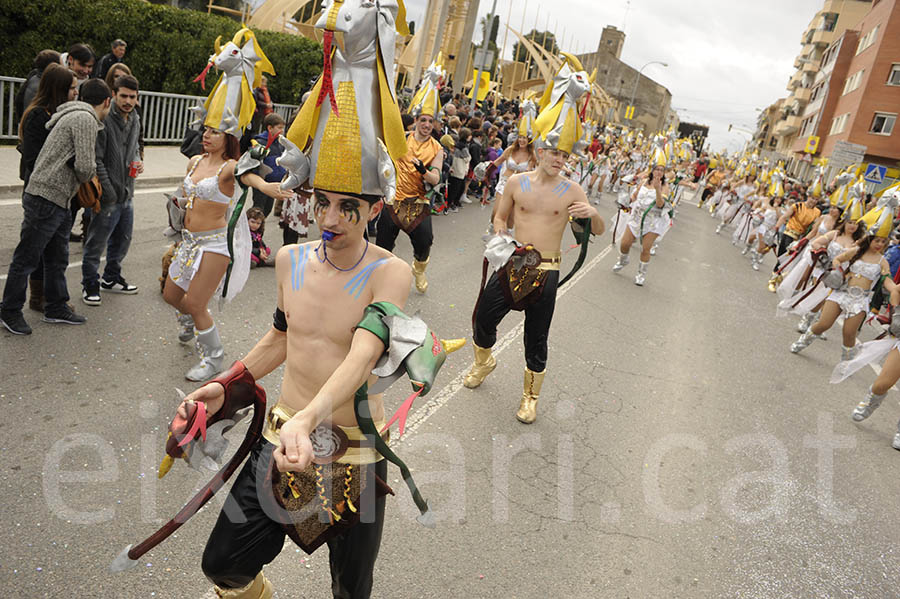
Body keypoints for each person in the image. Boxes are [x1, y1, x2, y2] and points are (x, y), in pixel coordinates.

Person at [180, 8, 452, 597]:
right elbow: (282, 338)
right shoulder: (290, 260)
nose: (328, 218)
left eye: (346, 206)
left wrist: (311, 417)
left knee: (351, 592)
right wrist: (228, 384)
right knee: (223, 564)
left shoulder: (391, 273)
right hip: (282, 441)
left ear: (374, 209)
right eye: (320, 201)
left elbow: (360, 358)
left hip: (352, 452)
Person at [464, 54, 605, 424]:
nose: (560, 158)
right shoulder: (515, 182)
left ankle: (530, 397)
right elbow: (499, 215)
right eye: (555, 152)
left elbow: (597, 231)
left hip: (547, 271)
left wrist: (592, 215)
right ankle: (484, 362)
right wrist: (498, 230)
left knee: (536, 339)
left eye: (565, 153)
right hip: (513, 261)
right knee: (482, 318)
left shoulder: (573, 190)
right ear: (540, 151)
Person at [162, 27, 288, 381]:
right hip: (188, 243)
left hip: (215, 245)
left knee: (194, 303)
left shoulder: (229, 168)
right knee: (173, 296)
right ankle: (190, 321)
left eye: (214, 131)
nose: (206, 134)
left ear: (228, 137)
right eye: (205, 129)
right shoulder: (195, 162)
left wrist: (270, 186)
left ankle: (214, 359)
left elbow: (252, 178)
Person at [0, 79, 111, 336]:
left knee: (57, 256)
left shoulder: (71, 114)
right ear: (107, 101)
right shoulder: (84, 119)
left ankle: (56, 305)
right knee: (27, 257)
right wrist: (92, 177)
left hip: (56, 197)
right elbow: (85, 167)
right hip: (47, 196)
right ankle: (9, 309)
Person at [17, 63, 78, 313]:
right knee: (33, 251)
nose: (76, 92)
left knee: (54, 251)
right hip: (41, 191)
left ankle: (48, 299)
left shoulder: (59, 113)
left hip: (58, 193)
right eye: (72, 88)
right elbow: (35, 157)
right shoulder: (37, 115)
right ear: (58, 89)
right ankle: (29, 300)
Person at [375, 82, 444, 294]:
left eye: (430, 121)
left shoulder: (437, 148)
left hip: (417, 202)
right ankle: (380, 276)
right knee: (383, 241)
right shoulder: (402, 139)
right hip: (393, 199)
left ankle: (419, 269)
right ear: (415, 121)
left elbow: (436, 179)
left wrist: (424, 170)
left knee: (425, 241)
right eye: (423, 120)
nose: (426, 125)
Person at [81, 74, 142, 306]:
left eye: (132, 97)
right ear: (113, 95)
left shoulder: (135, 117)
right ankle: (90, 284)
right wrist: (107, 192)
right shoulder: (104, 120)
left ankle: (111, 278)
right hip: (108, 196)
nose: (127, 101)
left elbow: (135, 146)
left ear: (138, 98)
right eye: (123, 95)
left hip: (128, 192)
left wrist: (138, 160)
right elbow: (96, 161)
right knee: (96, 244)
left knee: (122, 241)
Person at [611, 162, 671, 286]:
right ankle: (623, 260)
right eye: (657, 169)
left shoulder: (664, 186)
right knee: (625, 243)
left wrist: (658, 189)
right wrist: (627, 201)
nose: (659, 172)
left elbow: (660, 205)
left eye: (662, 170)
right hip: (636, 217)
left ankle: (641, 274)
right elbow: (634, 196)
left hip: (652, 221)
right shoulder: (644, 181)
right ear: (652, 170)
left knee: (645, 248)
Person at [768, 194, 822, 292]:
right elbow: (784, 217)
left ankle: (778, 279)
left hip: (800, 238)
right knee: (782, 258)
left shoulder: (817, 212)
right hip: (788, 234)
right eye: (812, 198)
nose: (813, 201)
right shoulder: (797, 206)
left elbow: (815, 227)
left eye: (816, 199)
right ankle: (773, 280)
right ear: (808, 197)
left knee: (790, 260)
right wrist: (776, 228)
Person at [249, 113, 287, 217]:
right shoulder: (259, 143)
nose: (282, 131)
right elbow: (253, 163)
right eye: (279, 128)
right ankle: (251, 231)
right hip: (262, 183)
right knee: (258, 209)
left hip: (273, 183)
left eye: (283, 128)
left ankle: (257, 231)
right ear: (270, 128)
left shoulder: (279, 143)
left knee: (267, 209)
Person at [14, 49, 61, 126]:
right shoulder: (47, 84)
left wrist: (21, 121)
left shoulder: (32, 78)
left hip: (27, 123)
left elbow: (19, 100)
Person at [446, 127, 471, 213]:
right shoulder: (463, 147)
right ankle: (451, 204)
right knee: (456, 188)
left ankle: (453, 202)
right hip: (460, 168)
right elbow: (467, 158)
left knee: (457, 187)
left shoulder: (458, 144)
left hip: (457, 167)